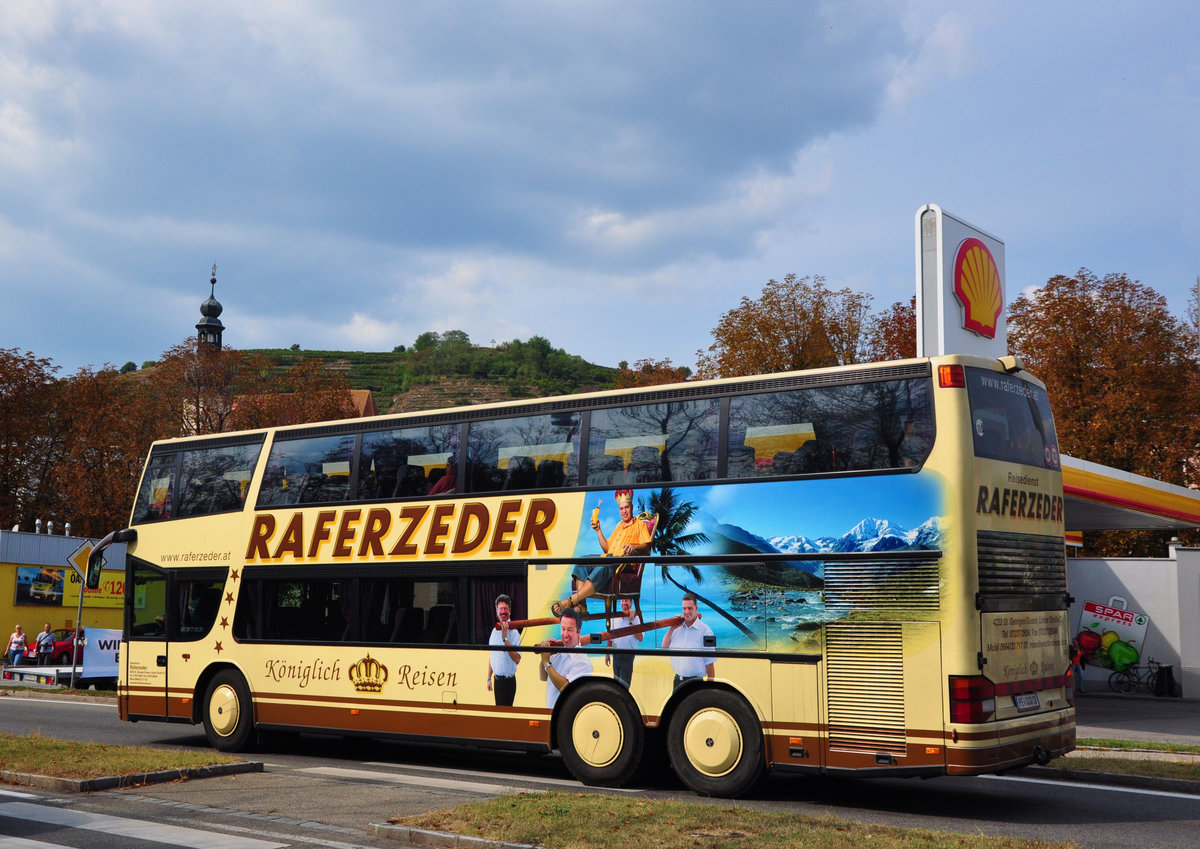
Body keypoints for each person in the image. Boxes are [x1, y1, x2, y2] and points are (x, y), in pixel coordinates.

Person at [553, 488, 652, 616]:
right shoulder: (619, 526)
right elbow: (607, 549)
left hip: (624, 564)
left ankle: (571, 601)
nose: (624, 511)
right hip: (610, 559)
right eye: (621, 508)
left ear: (632, 507)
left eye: (626, 507)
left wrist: (634, 547)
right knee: (582, 561)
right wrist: (598, 530)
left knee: (607, 563)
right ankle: (581, 606)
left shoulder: (640, 525)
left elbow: (647, 547)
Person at [537, 607, 593, 709]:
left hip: (565, 719)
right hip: (550, 714)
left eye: (570, 630)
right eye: (563, 629)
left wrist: (546, 662)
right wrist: (546, 656)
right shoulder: (557, 652)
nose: (565, 634)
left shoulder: (582, 661)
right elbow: (543, 676)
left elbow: (566, 688)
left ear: (578, 632)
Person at [662, 594, 715, 686]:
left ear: (696, 608)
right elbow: (664, 647)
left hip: (697, 683)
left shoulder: (707, 631)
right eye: (684, 608)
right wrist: (671, 628)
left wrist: (710, 687)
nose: (687, 611)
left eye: (690, 608)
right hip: (677, 681)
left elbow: (710, 663)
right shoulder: (676, 628)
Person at [487, 594, 521, 706]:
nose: (503, 611)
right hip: (497, 681)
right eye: (500, 609)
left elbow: (517, 659)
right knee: (499, 715)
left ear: (510, 611)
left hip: (508, 682)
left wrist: (505, 638)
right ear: (497, 612)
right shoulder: (493, 631)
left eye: (505, 609)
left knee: (507, 715)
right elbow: (492, 657)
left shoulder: (515, 633)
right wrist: (488, 678)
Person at [605, 596, 642, 687]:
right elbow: (610, 636)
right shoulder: (615, 616)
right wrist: (607, 654)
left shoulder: (636, 617)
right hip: (616, 654)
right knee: (616, 685)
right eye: (622, 600)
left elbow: (640, 637)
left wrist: (631, 622)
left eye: (626, 600)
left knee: (625, 686)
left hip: (628, 656)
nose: (624, 603)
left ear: (631, 602)